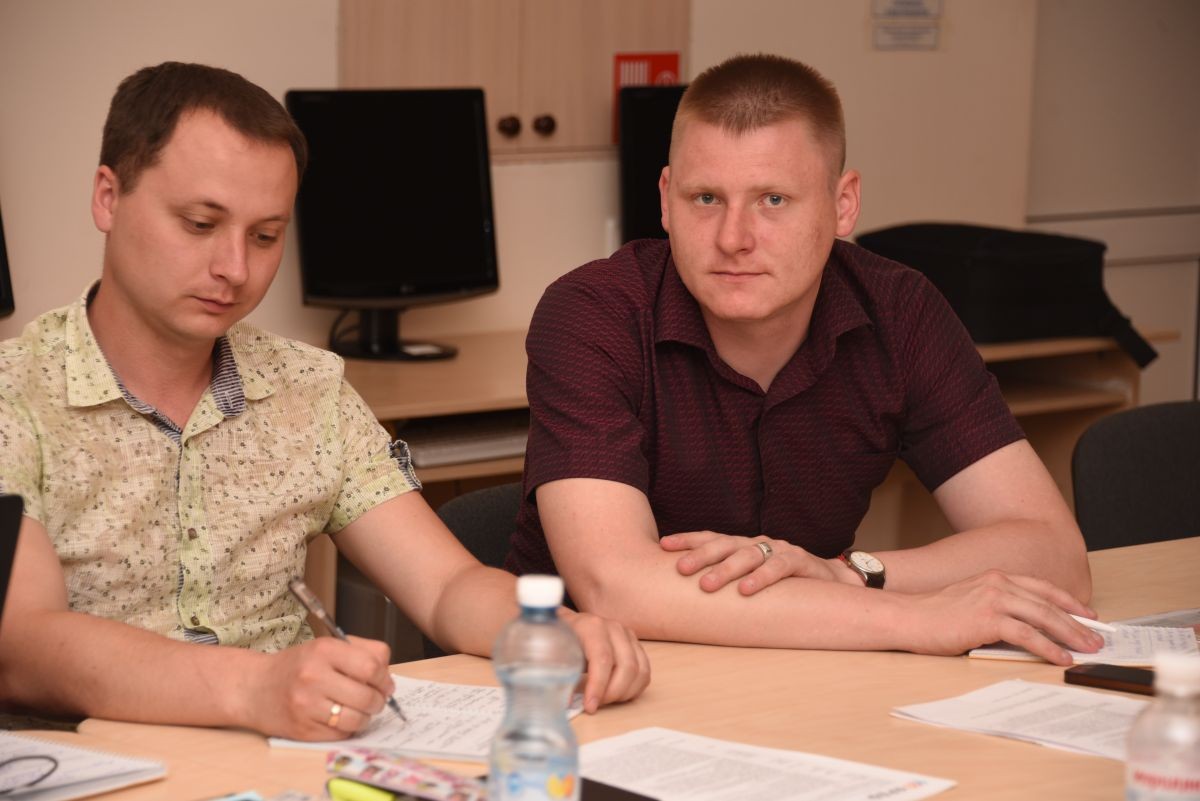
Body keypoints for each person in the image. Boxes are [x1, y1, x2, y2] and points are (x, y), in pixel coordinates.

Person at [0, 62, 649, 740]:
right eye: (199, 223)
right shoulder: (15, 396)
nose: (235, 268)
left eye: (265, 235)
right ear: (108, 197)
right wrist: (255, 687)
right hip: (96, 767)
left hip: (285, 763)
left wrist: (549, 629)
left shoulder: (307, 388)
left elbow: (446, 586)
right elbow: (21, 644)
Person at [508, 53, 1103, 666]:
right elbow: (616, 587)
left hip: (806, 664)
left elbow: (1056, 557)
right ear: (665, 199)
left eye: (772, 200)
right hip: (589, 680)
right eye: (705, 198)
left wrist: (849, 574)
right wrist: (917, 616)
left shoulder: (900, 310)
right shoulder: (592, 312)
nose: (733, 238)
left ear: (843, 204)